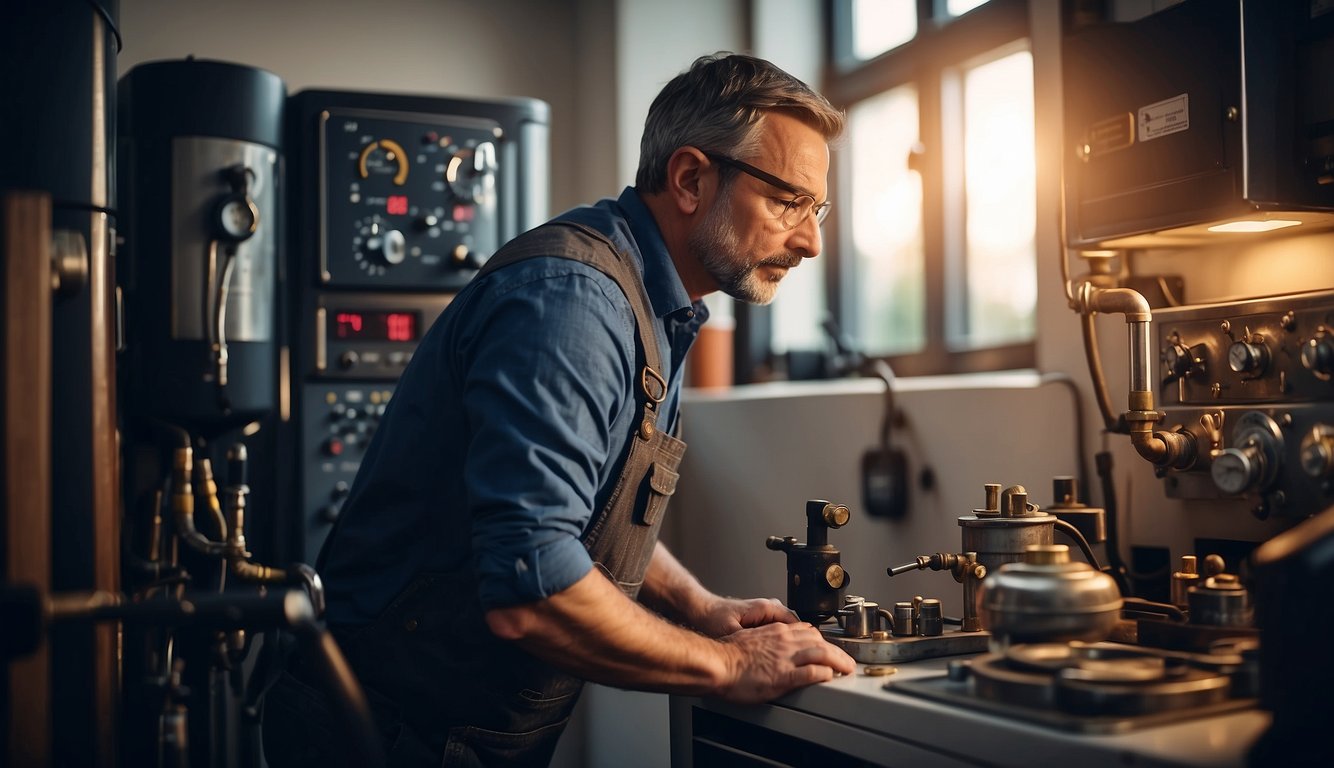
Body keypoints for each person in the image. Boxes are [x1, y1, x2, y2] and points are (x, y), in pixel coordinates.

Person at [263, 52, 855, 767]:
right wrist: (728, 664)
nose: (811, 241)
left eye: (815, 209)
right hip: (384, 735)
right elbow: (532, 588)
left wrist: (698, 604)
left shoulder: (655, 303)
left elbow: (583, 506)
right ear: (692, 178)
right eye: (789, 201)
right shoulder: (575, 306)